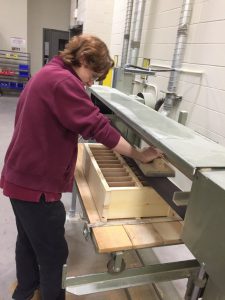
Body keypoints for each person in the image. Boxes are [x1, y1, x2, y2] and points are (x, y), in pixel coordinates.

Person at [0, 34, 162, 300]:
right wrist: (137, 154)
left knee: (28, 242)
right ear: (83, 59)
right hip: (36, 187)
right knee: (54, 254)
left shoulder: (49, 73)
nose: (91, 83)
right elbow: (98, 127)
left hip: (20, 179)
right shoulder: (64, 82)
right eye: (93, 75)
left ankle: (26, 292)